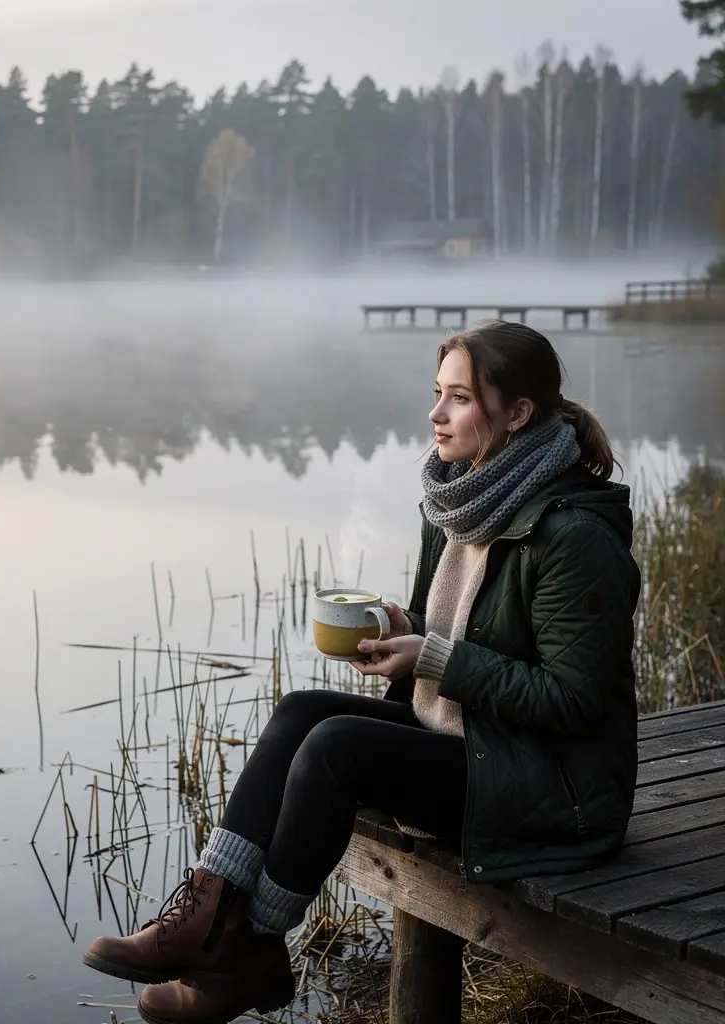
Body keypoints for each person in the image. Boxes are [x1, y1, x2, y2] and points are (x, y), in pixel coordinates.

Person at [82, 321, 641, 1024]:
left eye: (459, 399)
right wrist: (406, 633)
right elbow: (464, 630)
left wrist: (433, 658)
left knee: (335, 748)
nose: (436, 415)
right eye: (438, 394)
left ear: (518, 414)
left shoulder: (573, 534)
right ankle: (211, 912)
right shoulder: (461, 501)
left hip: (554, 786)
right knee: (300, 712)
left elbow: (574, 700)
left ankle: (251, 947)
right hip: (477, 740)